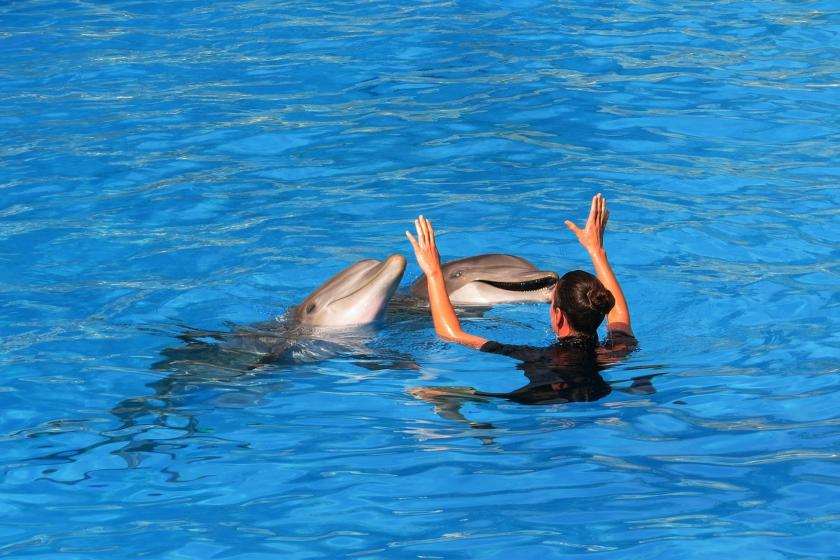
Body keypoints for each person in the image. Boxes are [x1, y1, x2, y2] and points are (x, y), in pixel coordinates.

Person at [405, 193, 644, 412]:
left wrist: (433, 272)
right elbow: (619, 316)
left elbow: (452, 333)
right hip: (602, 398)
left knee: (446, 395)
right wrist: (597, 251)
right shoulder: (616, 350)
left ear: (558, 316)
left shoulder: (537, 356)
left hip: (536, 403)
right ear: (600, 308)